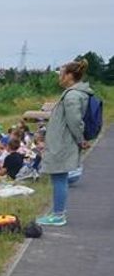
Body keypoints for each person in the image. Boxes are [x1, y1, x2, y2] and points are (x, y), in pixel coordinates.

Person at [38, 59, 95, 227]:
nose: (60, 78)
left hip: (63, 143)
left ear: (70, 76)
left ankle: (58, 215)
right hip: (63, 141)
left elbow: (75, 121)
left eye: (62, 74)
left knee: (59, 177)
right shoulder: (75, 93)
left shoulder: (72, 96)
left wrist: (81, 140)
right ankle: (58, 211)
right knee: (59, 177)